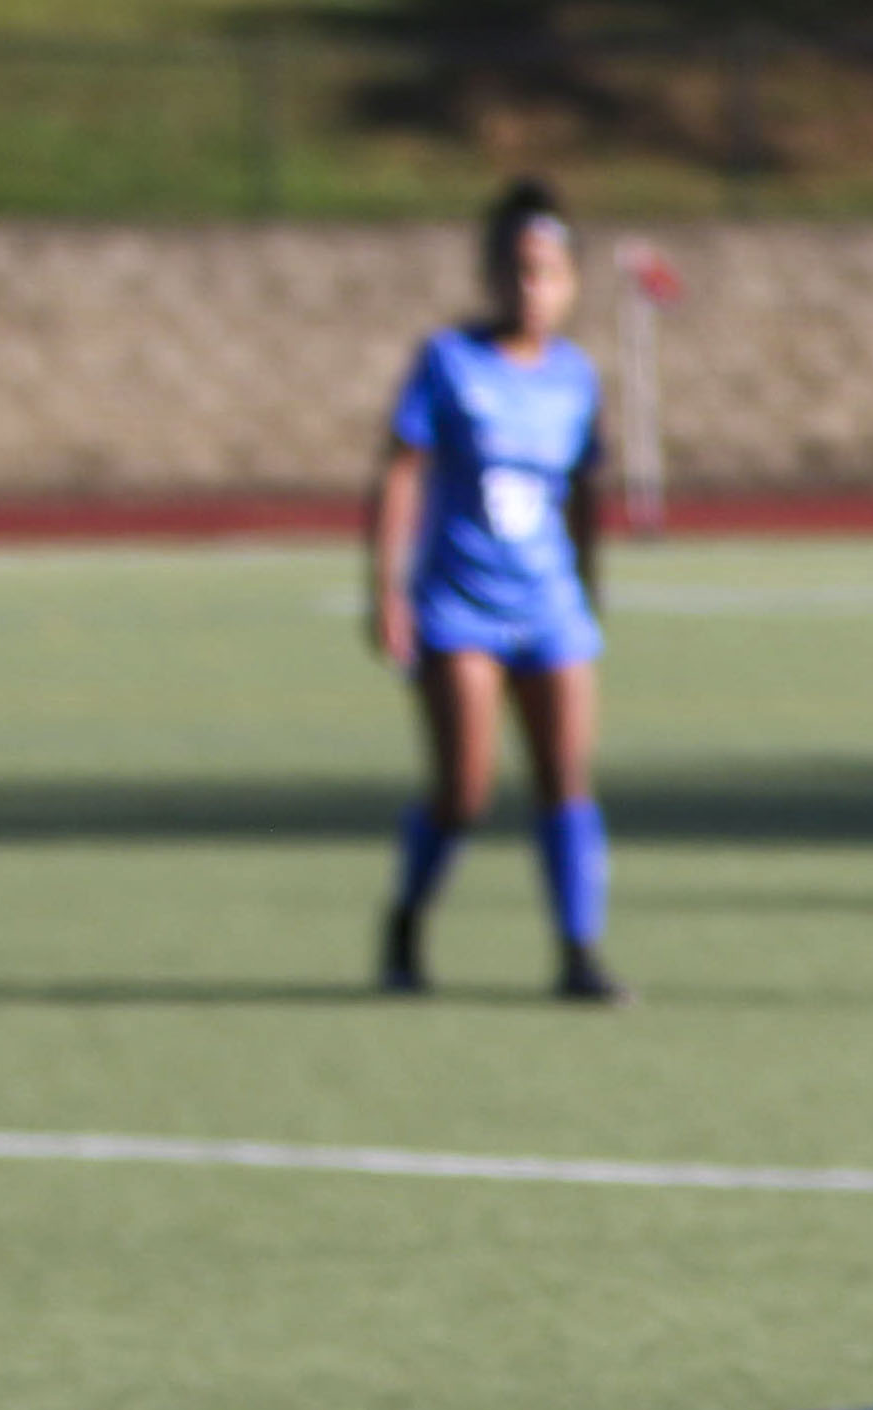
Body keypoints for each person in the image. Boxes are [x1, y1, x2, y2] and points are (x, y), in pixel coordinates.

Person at [366, 176, 623, 1005]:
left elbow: (584, 492)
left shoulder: (576, 376)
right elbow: (402, 473)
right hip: (458, 605)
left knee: (565, 779)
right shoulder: (449, 363)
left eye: (546, 271)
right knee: (465, 787)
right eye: (514, 269)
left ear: (571, 280)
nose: (529, 287)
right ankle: (407, 920)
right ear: (488, 273)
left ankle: (578, 952)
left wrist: (588, 585)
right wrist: (388, 590)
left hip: (548, 605)